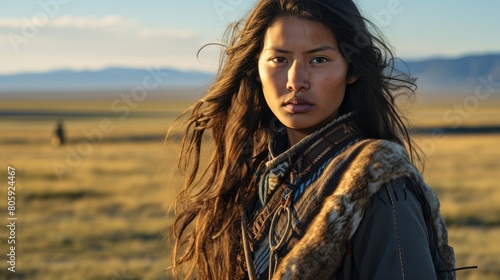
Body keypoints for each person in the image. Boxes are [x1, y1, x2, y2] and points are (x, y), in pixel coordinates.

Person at [170, 0, 457, 279]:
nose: (296, 80)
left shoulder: (381, 185)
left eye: (319, 60)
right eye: (279, 59)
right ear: (255, 68)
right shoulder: (255, 174)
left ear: (352, 69)